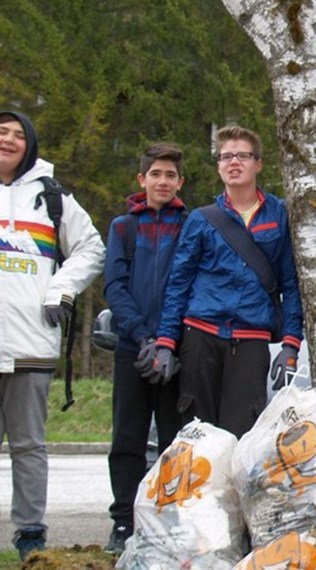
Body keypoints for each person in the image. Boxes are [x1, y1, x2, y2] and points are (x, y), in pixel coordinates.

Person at [153, 124, 303, 439]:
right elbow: (178, 283)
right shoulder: (201, 219)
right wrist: (166, 342)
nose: (233, 163)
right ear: (219, 165)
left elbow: (290, 284)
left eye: (242, 156)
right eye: (226, 157)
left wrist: (290, 343)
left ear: (258, 164)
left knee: (243, 436)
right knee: (198, 438)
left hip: (251, 340)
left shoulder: (279, 215)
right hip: (200, 336)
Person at [0, 110, 105, 560]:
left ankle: (30, 536)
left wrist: (60, 289)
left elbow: (91, 248)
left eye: (18, 134)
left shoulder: (52, 196)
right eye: (1, 132)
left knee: (28, 445)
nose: (8, 139)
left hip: (29, 343)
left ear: (32, 144)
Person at [102, 143, 188, 554]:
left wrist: (170, 341)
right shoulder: (123, 227)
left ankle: (170, 519)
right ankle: (123, 522)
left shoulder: (191, 225)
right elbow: (114, 287)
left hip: (177, 352)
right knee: (128, 440)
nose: (163, 181)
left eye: (170, 175)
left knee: (176, 442)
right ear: (142, 179)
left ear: (180, 182)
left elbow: (188, 283)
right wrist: (142, 338)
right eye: (156, 174)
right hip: (133, 349)